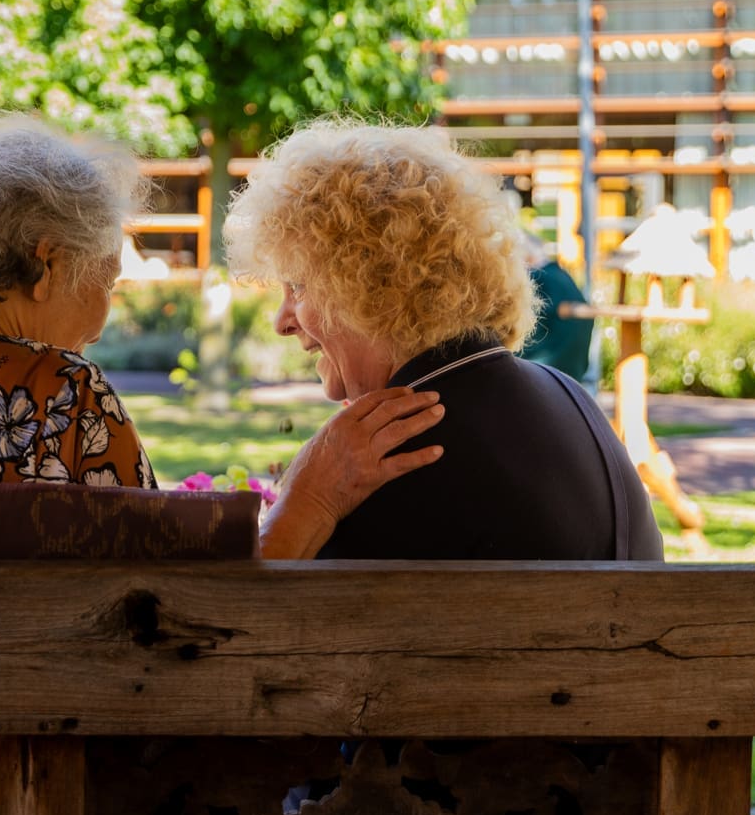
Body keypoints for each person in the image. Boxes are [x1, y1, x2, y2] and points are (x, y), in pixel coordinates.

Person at [0, 114, 447, 555]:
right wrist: (311, 499)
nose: (102, 322)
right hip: (7, 757)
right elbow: (176, 605)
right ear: (45, 264)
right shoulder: (58, 392)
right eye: (106, 283)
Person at [224, 120, 662, 561]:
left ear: (369, 285)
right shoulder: (573, 401)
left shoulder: (384, 461)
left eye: (298, 286)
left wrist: (307, 505)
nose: (282, 321)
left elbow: (235, 624)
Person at [520, 230, 593, 382]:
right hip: (575, 366)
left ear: (527, 258)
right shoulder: (561, 274)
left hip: (549, 367)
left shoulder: (537, 278)